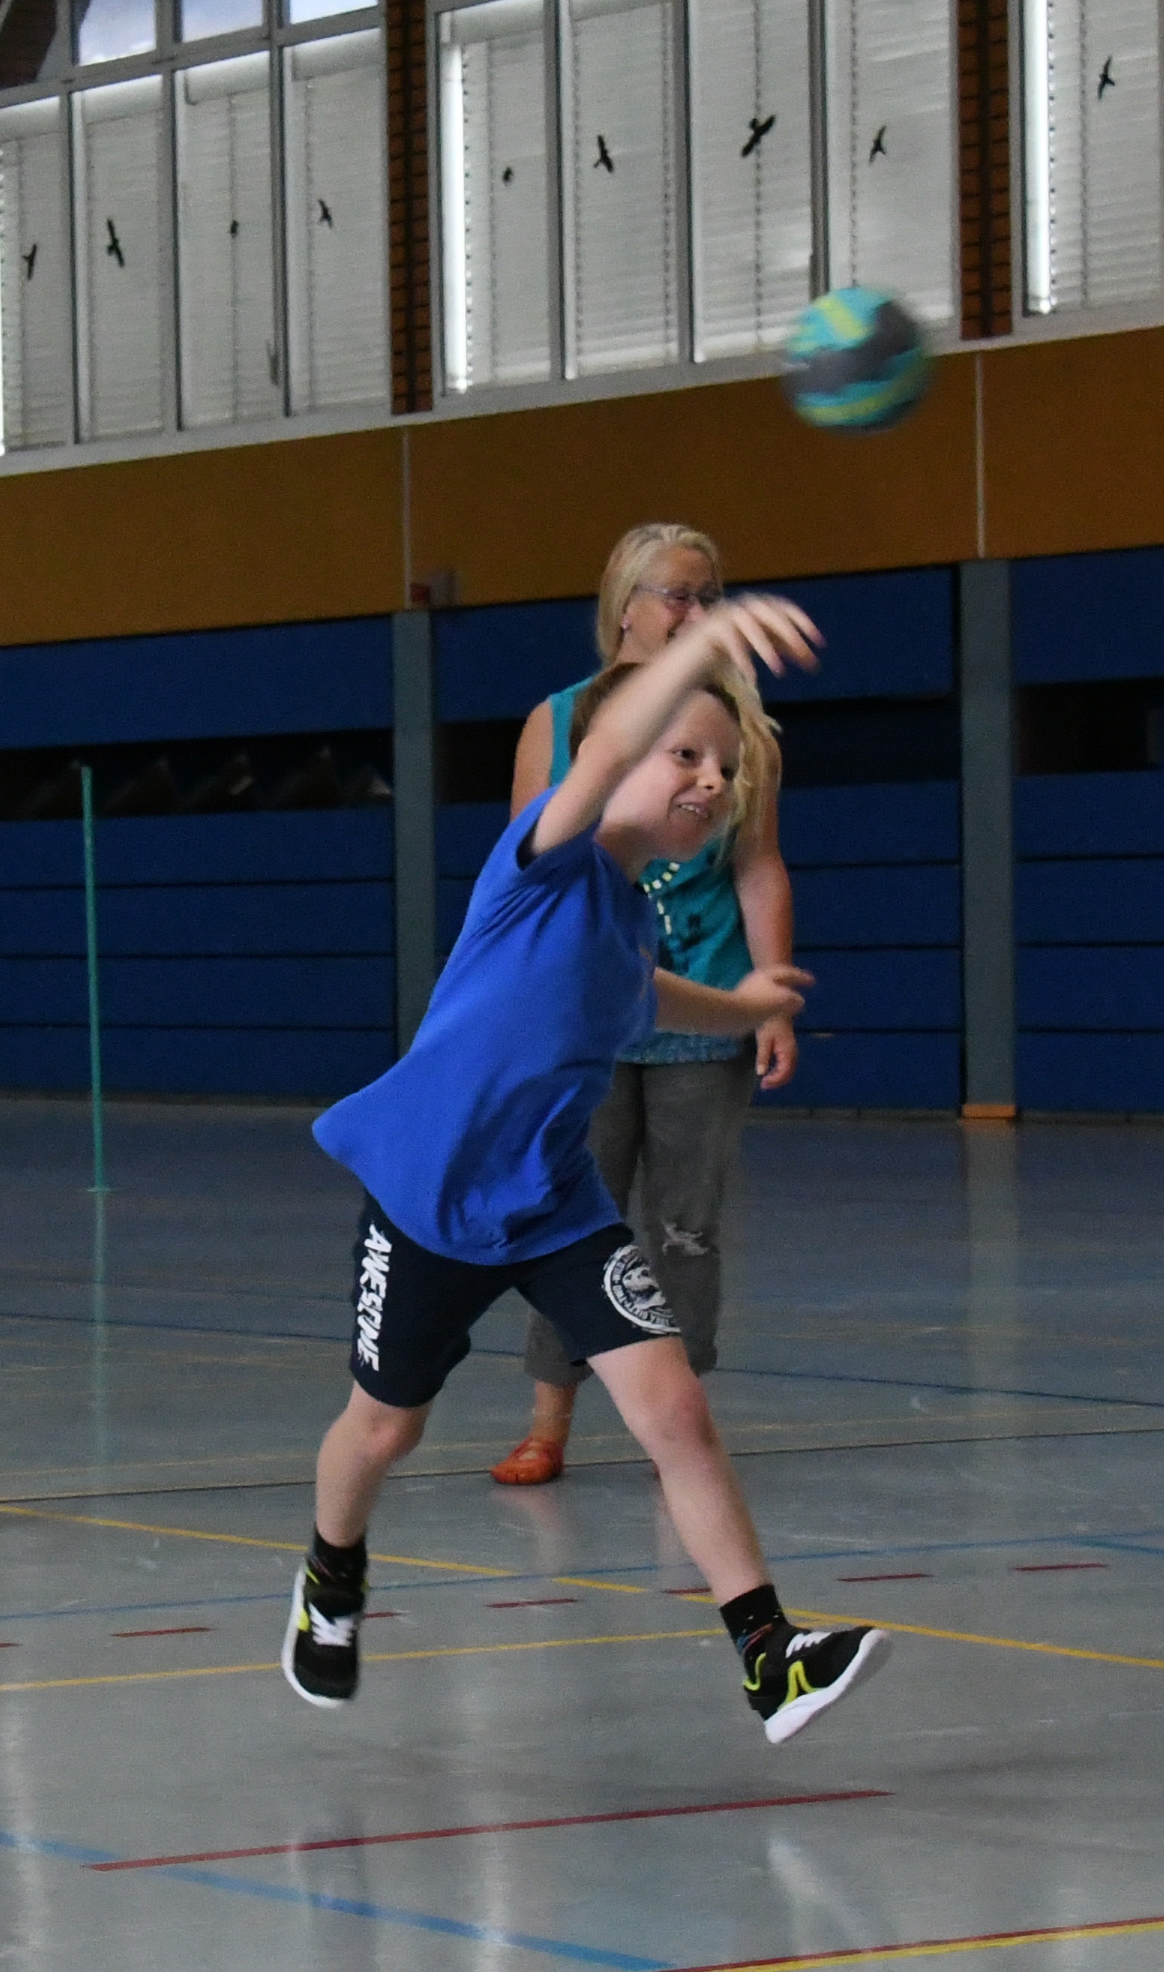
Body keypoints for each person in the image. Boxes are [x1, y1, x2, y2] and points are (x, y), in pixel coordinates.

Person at [286, 593, 890, 1744]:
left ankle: (770, 1656)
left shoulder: (630, 919)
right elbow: (608, 743)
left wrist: (744, 1006)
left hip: (556, 1201)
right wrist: (700, 646)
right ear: (612, 762)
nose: (711, 781)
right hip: (429, 1195)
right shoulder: (544, 860)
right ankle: (331, 1575)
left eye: (726, 768)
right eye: (686, 754)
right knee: (384, 1429)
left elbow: (640, 998)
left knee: (676, 1412)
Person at [491, 523, 798, 1488]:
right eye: (677, 594)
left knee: (686, 1228)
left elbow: (758, 865)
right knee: (569, 1214)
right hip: (586, 1015)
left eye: (710, 597)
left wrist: (768, 999)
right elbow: (527, 870)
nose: (695, 613)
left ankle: (681, 1432)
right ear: (626, 605)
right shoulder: (559, 720)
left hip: (699, 1013)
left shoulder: (741, 732)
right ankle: (549, 1419)